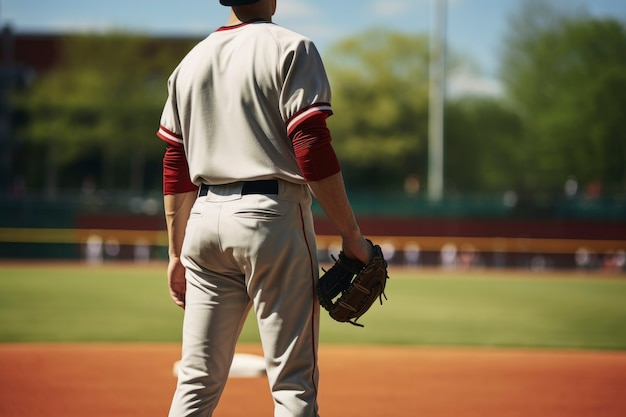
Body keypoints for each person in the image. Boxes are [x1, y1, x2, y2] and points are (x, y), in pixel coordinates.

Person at [157, 1, 372, 415]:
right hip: (270, 216)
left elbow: (175, 164)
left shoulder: (190, 62)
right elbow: (310, 145)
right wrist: (351, 236)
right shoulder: (291, 47)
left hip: (203, 221)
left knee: (196, 380)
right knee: (293, 385)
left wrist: (174, 251)